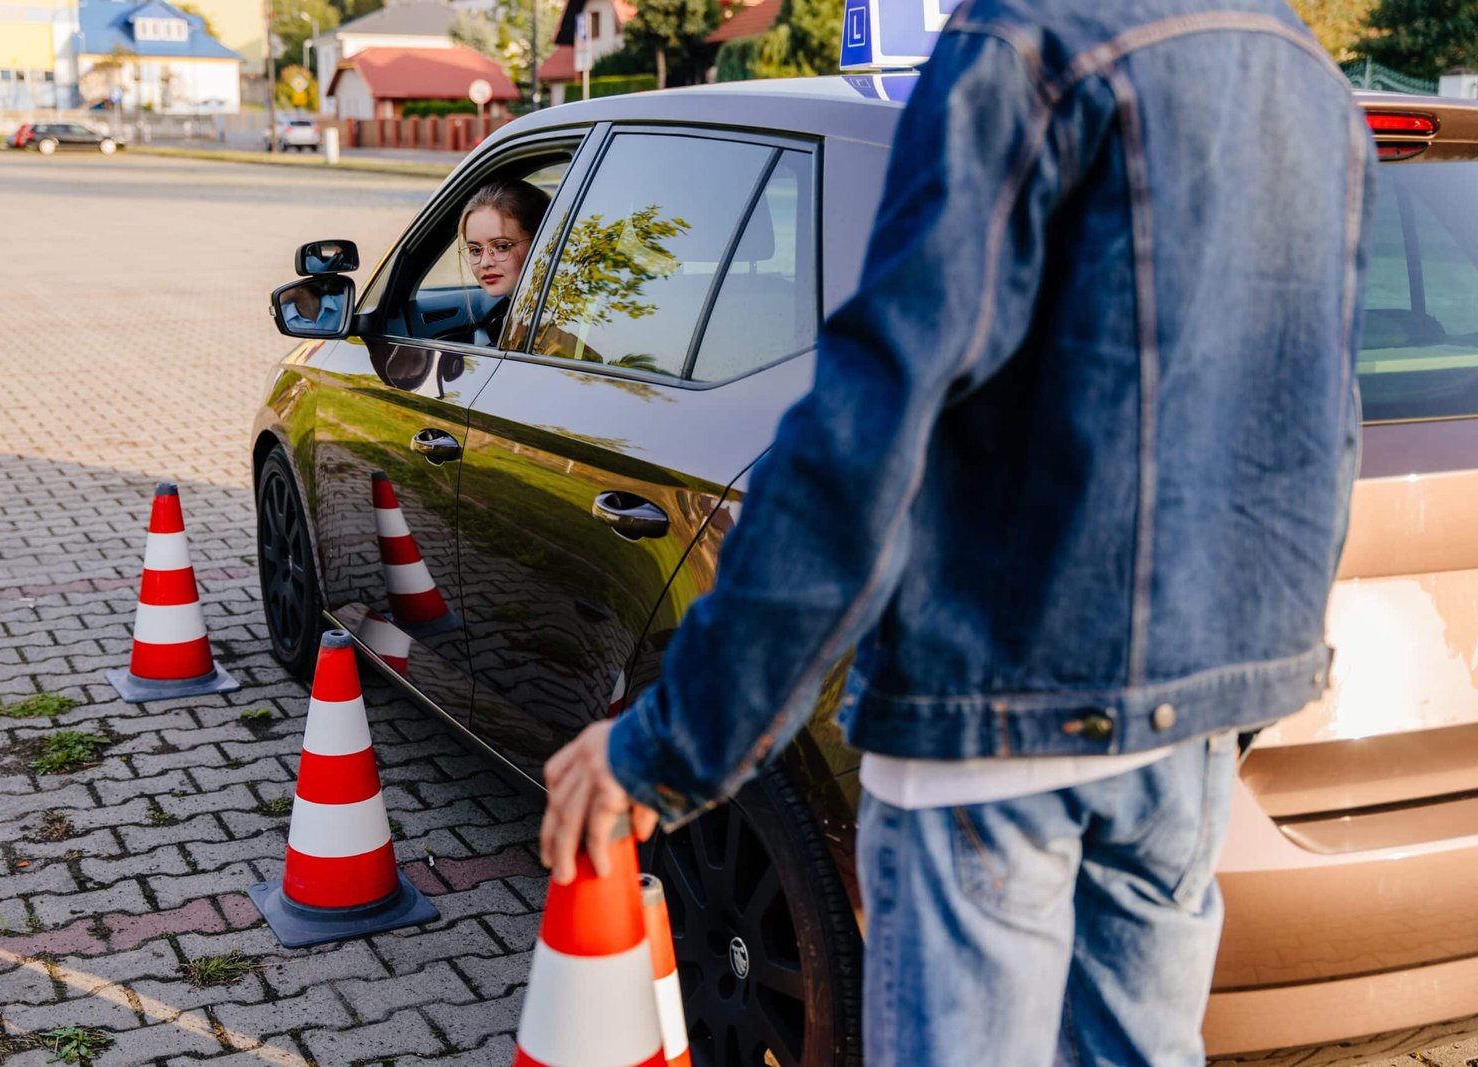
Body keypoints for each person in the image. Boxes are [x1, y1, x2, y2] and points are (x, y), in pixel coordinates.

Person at [537, 0, 1375, 1062]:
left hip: (995, 709)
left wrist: (669, 743)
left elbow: (869, 426)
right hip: (1191, 709)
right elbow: (1320, 411)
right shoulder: (1296, 60)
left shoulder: (1020, 47)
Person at [452, 179, 550, 346]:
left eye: (502, 246)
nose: (485, 263)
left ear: (541, 243)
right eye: (475, 250)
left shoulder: (552, 326)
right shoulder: (523, 315)